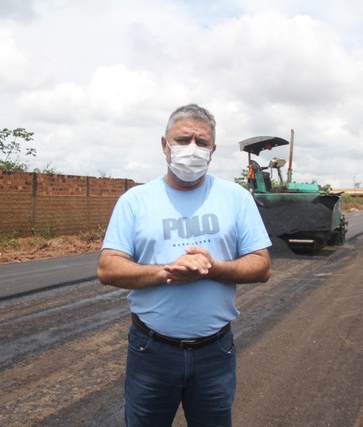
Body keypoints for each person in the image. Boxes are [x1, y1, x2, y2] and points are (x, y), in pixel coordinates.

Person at [97, 104, 272, 426]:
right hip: (151, 350)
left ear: (213, 150)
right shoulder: (135, 201)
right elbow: (108, 269)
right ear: (165, 144)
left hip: (215, 351)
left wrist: (212, 267)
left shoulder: (236, 198)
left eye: (201, 142)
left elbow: (261, 267)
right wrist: (167, 272)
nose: (192, 149)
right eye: (182, 139)